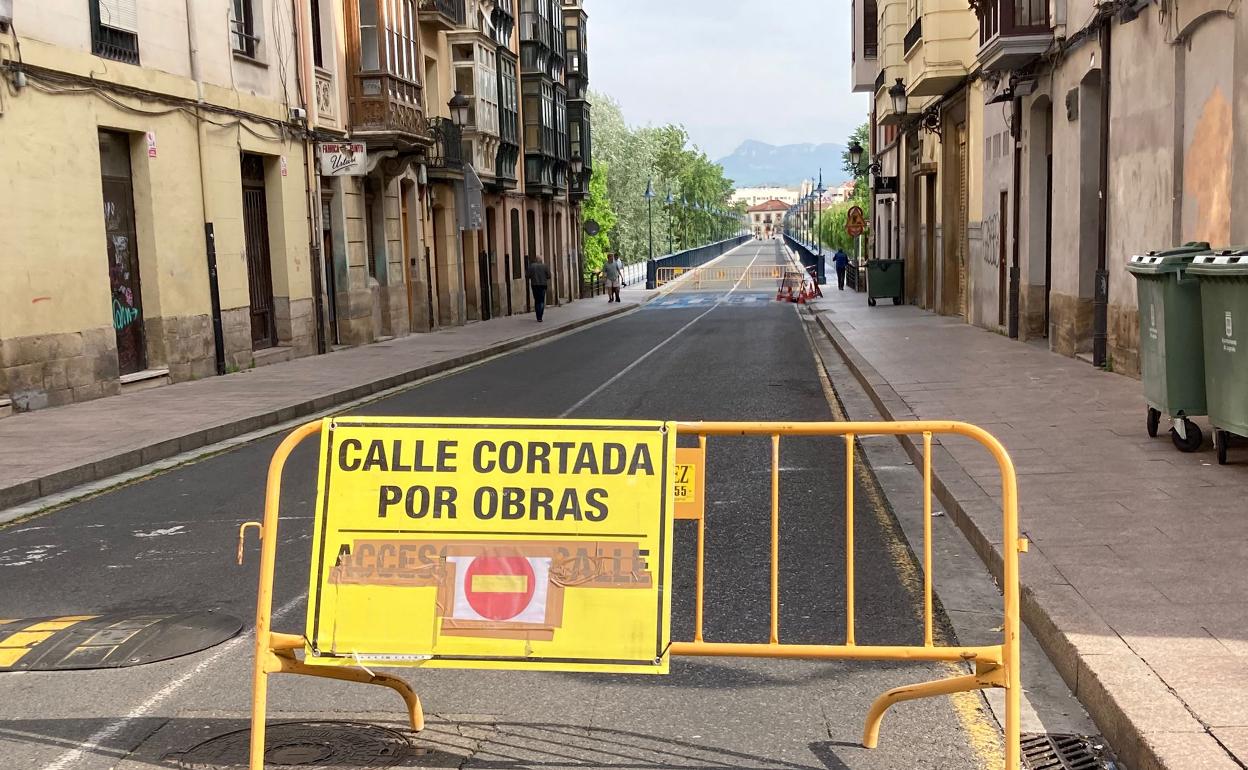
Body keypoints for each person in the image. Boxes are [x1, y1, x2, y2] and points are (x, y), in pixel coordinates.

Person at [526, 255, 551, 322]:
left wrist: (533, 277)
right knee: (542, 300)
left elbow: (527, 275)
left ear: (535, 260)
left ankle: (538, 316)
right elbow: (549, 276)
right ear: (541, 260)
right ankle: (540, 316)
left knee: (537, 300)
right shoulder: (545, 266)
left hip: (535, 285)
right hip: (543, 285)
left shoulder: (532, 266)